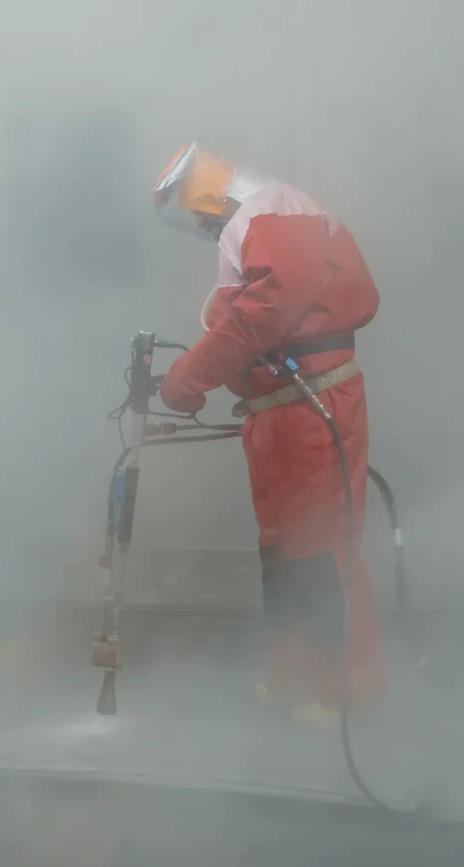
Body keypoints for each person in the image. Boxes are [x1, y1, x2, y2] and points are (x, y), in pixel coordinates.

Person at [151, 143, 384, 730]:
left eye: (194, 209)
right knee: (283, 550)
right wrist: (201, 376)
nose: (200, 224)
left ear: (206, 192)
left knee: (319, 547)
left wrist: (188, 379)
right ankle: (292, 677)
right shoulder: (254, 223)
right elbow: (249, 321)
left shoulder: (272, 208)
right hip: (281, 408)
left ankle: (340, 692)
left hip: (312, 403)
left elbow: (266, 309)